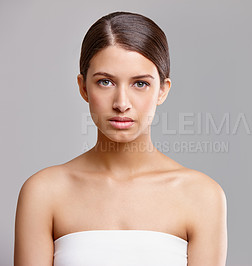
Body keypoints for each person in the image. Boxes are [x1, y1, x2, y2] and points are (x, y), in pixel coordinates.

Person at [14, 11, 227, 266]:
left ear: (162, 90)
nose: (122, 104)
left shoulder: (202, 196)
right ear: (83, 87)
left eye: (140, 84)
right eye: (105, 82)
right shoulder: (43, 193)